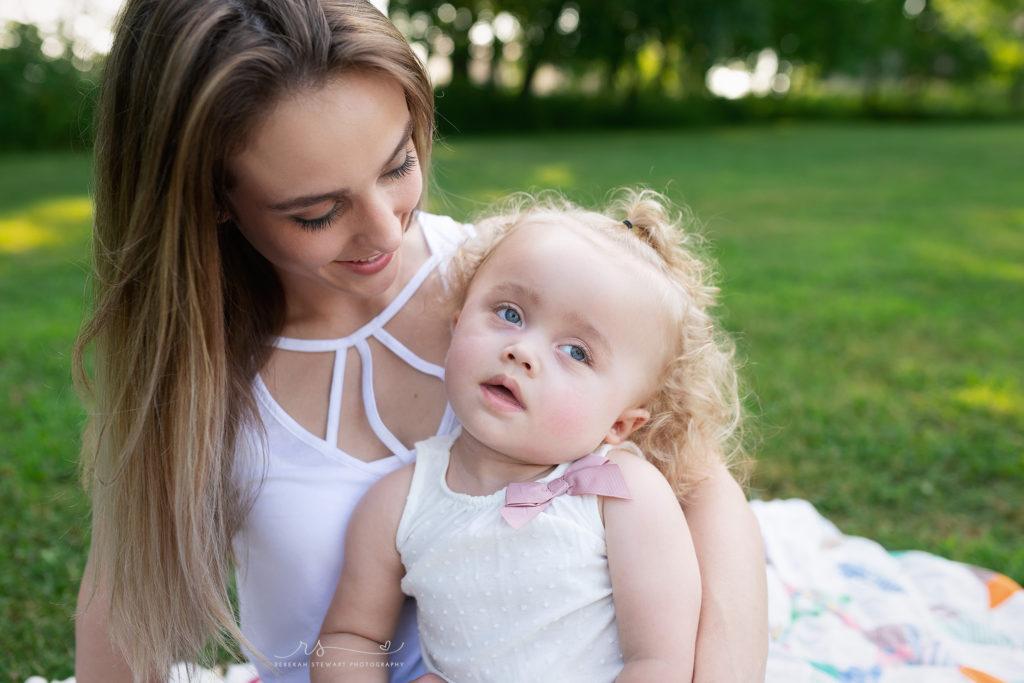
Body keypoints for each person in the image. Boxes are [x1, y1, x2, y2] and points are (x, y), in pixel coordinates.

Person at [72, 1, 768, 682]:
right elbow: (123, 607)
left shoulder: (521, 289)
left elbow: (703, 488)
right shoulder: (192, 382)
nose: (384, 230)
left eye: (398, 164)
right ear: (208, 199)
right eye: (318, 211)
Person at [311, 189, 732, 682]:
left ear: (619, 424)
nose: (522, 351)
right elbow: (352, 636)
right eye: (509, 314)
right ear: (457, 323)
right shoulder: (399, 502)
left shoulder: (619, 493)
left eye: (576, 352)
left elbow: (659, 661)